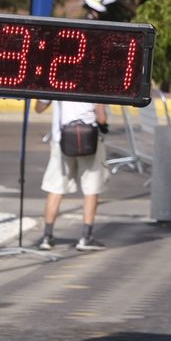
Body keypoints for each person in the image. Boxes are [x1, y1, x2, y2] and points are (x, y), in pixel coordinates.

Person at [34, 98, 110, 251]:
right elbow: (101, 117)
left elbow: (39, 108)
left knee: (56, 188)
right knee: (91, 189)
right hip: (90, 140)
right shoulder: (94, 84)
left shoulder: (56, 85)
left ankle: (47, 236)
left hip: (61, 140)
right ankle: (86, 237)